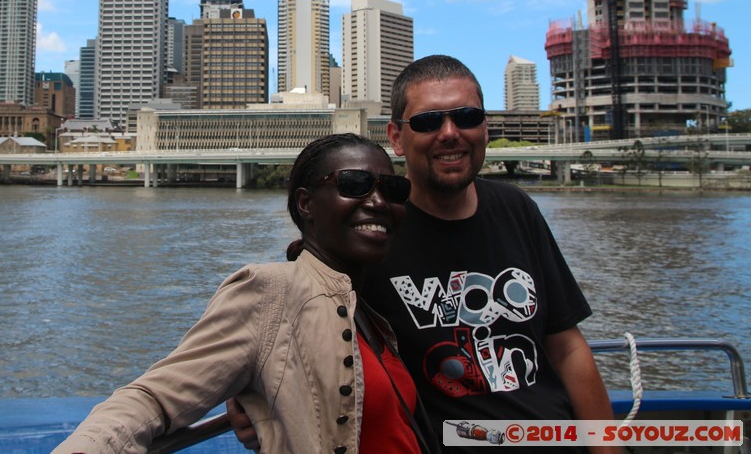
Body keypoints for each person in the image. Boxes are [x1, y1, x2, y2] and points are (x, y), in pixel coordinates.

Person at [231, 55, 616, 453]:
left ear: (484, 128)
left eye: (466, 117)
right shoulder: (370, 230)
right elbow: (293, 323)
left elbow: (567, 347)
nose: (450, 133)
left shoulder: (517, 209)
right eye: (428, 121)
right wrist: (252, 385)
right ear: (396, 137)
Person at [53, 133, 427, 454]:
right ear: (306, 203)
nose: (378, 201)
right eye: (354, 184)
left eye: (392, 190)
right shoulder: (270, 292)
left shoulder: (367, 310)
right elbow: (154, 398)